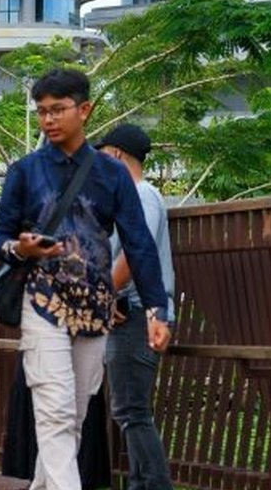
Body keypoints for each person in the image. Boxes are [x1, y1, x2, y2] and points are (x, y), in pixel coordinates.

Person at [0, 68, 170, 490]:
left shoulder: (112, 176)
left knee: (73, 415)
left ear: (83, 110)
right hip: (41, 303)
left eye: (58, 110)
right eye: (42, 112)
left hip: (95, 310)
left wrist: (157, 309)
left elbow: (139, 244)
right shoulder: (25, 171)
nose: (48, 120)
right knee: (54, 411)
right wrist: (22, 249)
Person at [98, 124, 177, 490]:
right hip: (129, 310)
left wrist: (104, 293)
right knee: (129, 410)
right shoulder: (132, 196)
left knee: (132, 411)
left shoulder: (141, 194)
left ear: (115, 155)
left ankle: (151, 485)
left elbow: (135, 250)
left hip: (138, 313)